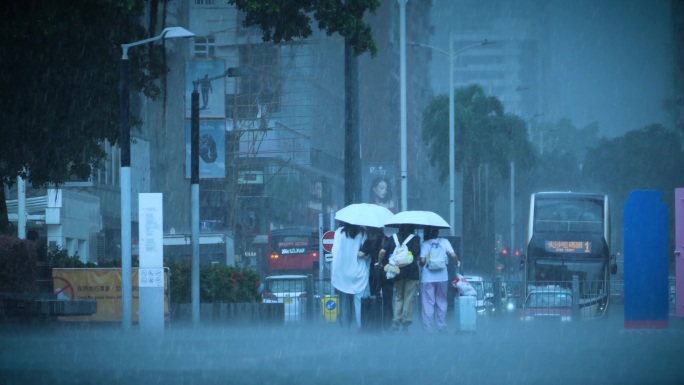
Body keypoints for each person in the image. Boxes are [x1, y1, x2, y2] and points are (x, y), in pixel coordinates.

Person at [377, 224, 421, 332]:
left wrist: (379, 262)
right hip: (412, 272)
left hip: (397, 271)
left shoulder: (393, 237)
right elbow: (417, 256)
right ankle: (406, 322)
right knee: (408, 297)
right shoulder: (415, 238)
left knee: (398, 296)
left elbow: (382, 251)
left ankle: (396, 321)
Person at [419, 226, 459, 333]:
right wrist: (456, 263)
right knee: (441, 301)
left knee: (428, 302)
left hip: (427, 278)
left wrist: (421, 262)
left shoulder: (425, 243)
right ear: (437, 232)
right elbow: (453, 256)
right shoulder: (445, 242)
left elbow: (422, 261)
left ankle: (428, 328)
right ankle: (441, 325)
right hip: (442, 276)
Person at [331, 222, 368, 330]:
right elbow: (364, 252)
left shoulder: (339, 232)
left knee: (344, 300)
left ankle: (346, 327)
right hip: (358, 271)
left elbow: (335, 251)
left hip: (343, 271)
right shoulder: (362, 232)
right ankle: (359, 325)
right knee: (359, 301)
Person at [359, 227, 393, 330]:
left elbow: (361, 254)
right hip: (387, 272)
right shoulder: (388, 240)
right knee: (388, 298)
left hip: (374, 272)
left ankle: (376, 322)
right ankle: (388, 324)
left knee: (375, 297)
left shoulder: (368, 242)